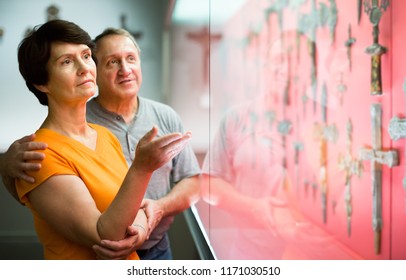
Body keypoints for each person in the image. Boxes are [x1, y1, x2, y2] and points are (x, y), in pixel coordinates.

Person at [1, 27, 201, 260]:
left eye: (86, 56)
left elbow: (130, 204)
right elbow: (104, 234)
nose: (84, 67)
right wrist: (142, 167)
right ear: (41, 83)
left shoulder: (103, 136)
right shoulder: (41, 153)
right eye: (66, 61)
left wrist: (140, 229)